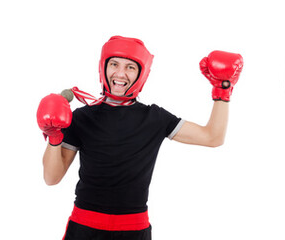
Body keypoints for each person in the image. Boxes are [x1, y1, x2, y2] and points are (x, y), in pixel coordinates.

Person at [37, 36, 242, 239]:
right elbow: (51, 178)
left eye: (130, 67)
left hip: (133, 229)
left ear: (141, 74)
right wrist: (54, 136)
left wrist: (222, 90)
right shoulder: (82, 117)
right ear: (103, 67)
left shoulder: (155, 118)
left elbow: (212, 137)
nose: (120, 73)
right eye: (114, 64)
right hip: (85, 226)